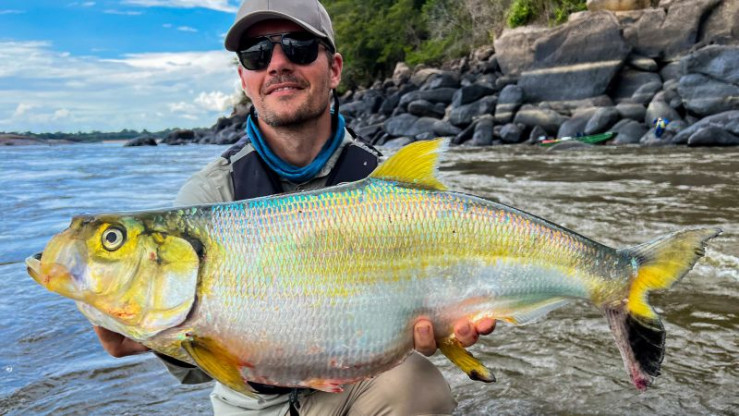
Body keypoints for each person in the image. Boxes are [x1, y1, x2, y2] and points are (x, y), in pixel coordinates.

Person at [93, 0, 496, 414]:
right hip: (254, 406)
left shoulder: (386, 181)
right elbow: (201, 366)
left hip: (360, 385)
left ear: (334, 69)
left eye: (298, 46)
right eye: (257, 54)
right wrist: (157, 340)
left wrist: (447, 325)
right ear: (244, 79)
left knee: (418, 386)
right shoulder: (207, 198)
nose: (278, 64)